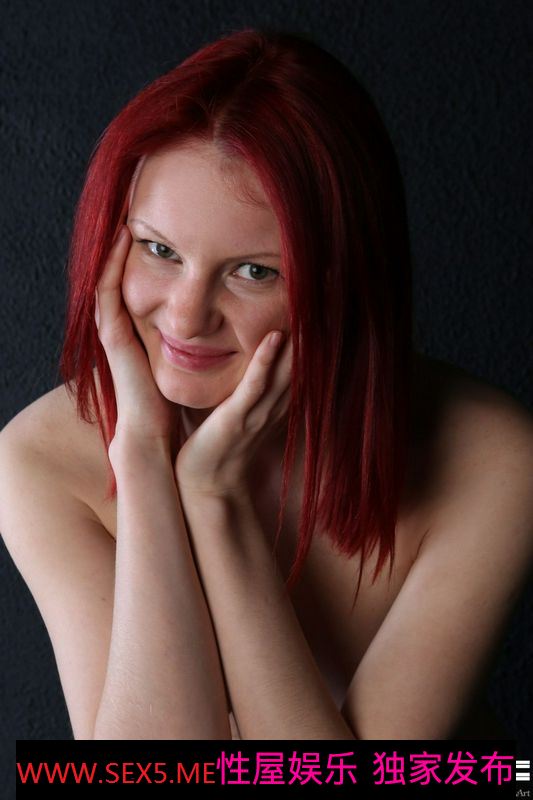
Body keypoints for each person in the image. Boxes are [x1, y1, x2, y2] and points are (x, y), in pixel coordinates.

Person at [0, 27, 532, 742]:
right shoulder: (38, 459)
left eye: (254, 271)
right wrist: (145, 460)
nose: (186, 317)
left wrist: (214, 496)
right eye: (159, 250)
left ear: (345, 282)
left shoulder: (494, 459)